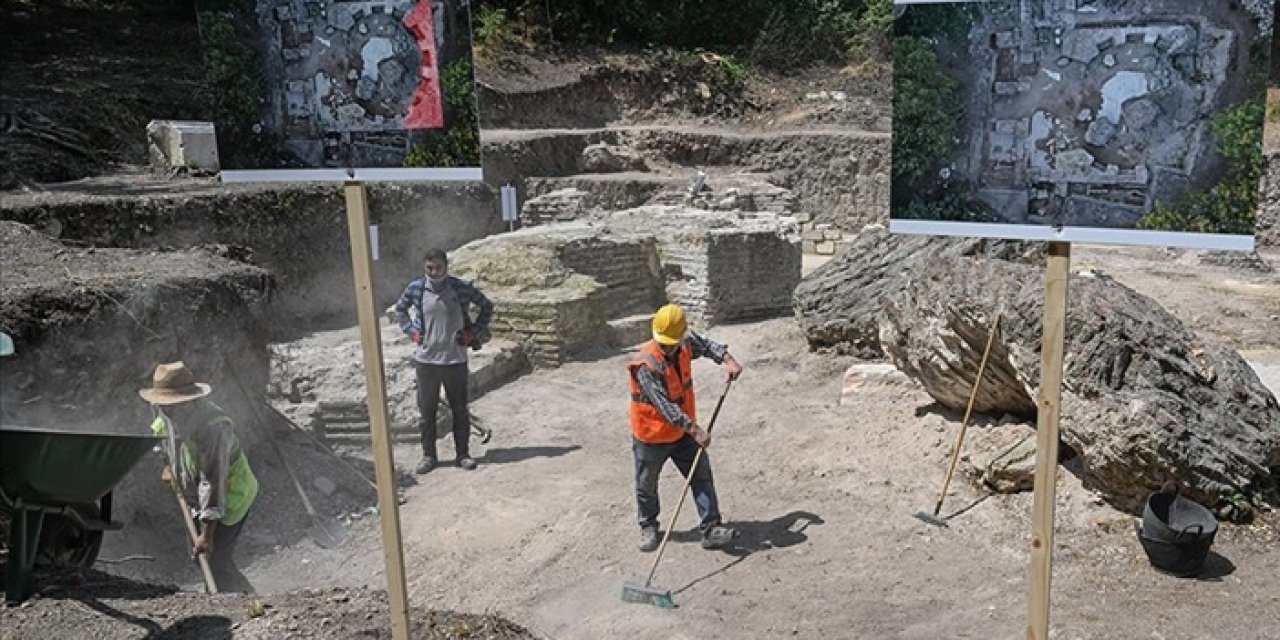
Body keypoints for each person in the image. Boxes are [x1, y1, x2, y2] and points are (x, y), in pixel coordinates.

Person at [628, 303, 743, 552]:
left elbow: (707, 346)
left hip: (682, 433)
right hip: (652, 436)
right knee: (646, 485)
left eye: (672, 342)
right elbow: (666, 406)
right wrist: (696, 430)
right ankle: (648, 526)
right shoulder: (646, 365)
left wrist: (728, 360)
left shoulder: (684, 343)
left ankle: (710, 529)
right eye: (664, 342)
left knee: (701, 475)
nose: (668, 347)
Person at [140, 361, 258, 593]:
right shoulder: (167, 414)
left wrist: (207, 533)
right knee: (199, 556)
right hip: (195, 497)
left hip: (231, 495)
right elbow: (161, 435)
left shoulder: (212, 427)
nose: (169, 410)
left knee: (213, 559)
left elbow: (212, 481)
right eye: (165, 405)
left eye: (175, 405)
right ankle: (237, 594)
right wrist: (168, 467)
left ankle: (240, 602)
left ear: (191, 399)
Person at [394, 248, 493, 473]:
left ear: (446, 266)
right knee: (427, 411)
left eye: (438, 267)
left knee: (459, 409)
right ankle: (429, 456)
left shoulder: (460, 288)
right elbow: (401, 310)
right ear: (424, 267)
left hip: (455, 360)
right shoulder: (416, 288)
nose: (434, 272)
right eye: (430, 268)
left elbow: (486, 306)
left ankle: (463, 455)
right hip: (426, 361)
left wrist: (474, 333)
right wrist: (411, 332)